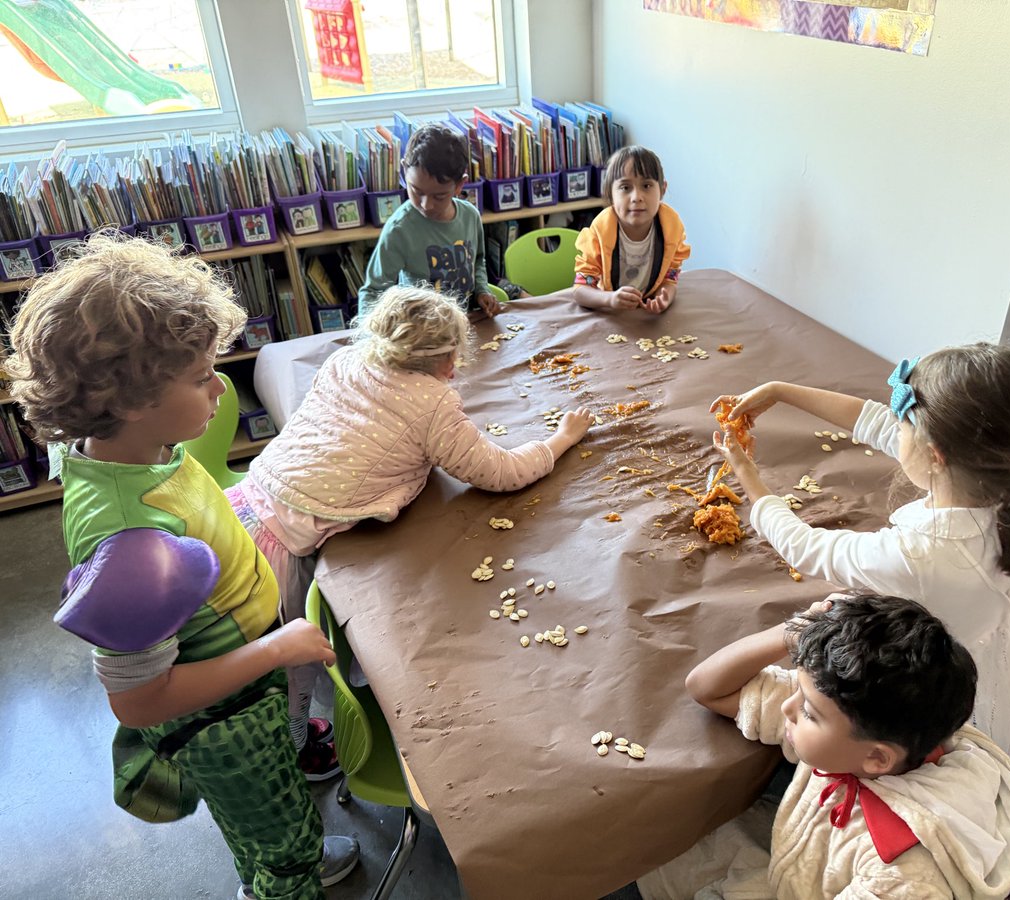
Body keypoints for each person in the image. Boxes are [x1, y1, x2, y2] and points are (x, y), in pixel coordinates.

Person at [5, 234, 358, 900]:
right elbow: (140, 701)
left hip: (245, 685)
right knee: (283, 840)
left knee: (258, 818)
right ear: (131, 398)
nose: (219, 387)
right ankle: (283, 880)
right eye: (199, 378)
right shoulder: (134, 545)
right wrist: (276, 649)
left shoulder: (130, 448)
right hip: (226, 719)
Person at [226, 284, 594, 758]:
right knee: (287, 669)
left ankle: (288, 736)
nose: (456, 370)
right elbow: (503, 474)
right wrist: (561, 439)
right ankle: (298, 751)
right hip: (277, 550)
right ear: (439, 361)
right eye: (452, 359)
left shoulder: (346, 360)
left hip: (243, 500)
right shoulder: (433, 404)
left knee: (259, 659)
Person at [710, 343, 1010, 779]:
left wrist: (748, 478)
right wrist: (781, 390)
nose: (894, 429)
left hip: (925, 688)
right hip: (988, 642)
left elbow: (803, 546)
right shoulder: (1008, 485)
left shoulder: (916, 554)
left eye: (904, 424)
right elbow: (878, 424)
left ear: (936, 455)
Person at [638, 594, 1010, 899]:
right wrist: (792, 632)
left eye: (808, 712)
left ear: (877, 757)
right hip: (795, 871)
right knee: (653, 853)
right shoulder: (866, 725)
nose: (789, 708)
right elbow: (706, 688)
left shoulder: (903, 877)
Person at [357, 123, 499, 319]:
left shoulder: (470, 216)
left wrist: (482, 290)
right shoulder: (399, 229)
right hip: (419, 329)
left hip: (465, 322)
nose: (426, 205)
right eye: (416, 191)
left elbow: (477, 261)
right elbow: (373, 292)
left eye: (439, 196)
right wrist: (369, 339)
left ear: (460, 185)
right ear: (404, 171)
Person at [573, 145, 691, 314]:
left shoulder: (671, 227)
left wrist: (665, 297)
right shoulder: (600, 231)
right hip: (610, 314)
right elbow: (580, 290)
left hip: (646, 317)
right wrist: (610, 299)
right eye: (625, 188)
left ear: (662, 190)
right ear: (610, 194)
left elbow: (670, 278)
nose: (637, 197)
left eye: (647, 186)